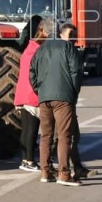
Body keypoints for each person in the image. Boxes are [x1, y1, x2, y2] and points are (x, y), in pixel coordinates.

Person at [31, 23, 83, 186]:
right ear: (60, 31)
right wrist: (74, 92)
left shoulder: (40, 49)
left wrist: (39, 90)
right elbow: (76, 71)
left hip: (44, 97)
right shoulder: (68, 47)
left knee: (46, 135)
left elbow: (32, 73)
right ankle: (64, 174)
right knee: (64, 135)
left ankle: (45, 172)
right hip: (63, 96)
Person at [15, 16, 46, 173]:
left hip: (23, 93)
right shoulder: (37, 51)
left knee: (26, 128)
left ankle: (25, 159)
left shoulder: (29, 48)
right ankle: (29, 160)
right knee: (32, 129)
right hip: (32, 94)